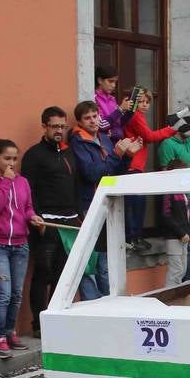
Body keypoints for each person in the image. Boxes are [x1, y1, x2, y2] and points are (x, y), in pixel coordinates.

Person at [0, 139, 45, 359]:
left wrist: (33, 217)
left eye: (15, 159)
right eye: (7, 158)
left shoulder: (23, 182)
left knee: (16, 294)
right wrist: (6, 182)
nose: (11, 164)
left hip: (20, 244)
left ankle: (10, 331)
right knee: (4, 294)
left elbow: (26, 208)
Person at [21, 107, 80, 335]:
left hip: (69, 222)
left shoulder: (68, 153)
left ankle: (56, 320)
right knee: (43, 273)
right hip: (46, 223)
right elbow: (29, 191)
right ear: (44, 126)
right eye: (55, 126)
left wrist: (78, 215)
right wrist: (38, 219)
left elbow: (75, 186)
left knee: (62, 274)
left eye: (62, 127)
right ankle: (38, 324)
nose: (59, 131)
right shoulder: (33, 155)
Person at [71, 100, 138, 300]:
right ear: (80, 122)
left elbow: (114, 172)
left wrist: (127, 157)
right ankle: (95, 304)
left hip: (109, 204)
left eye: (95, 116)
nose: (93, 121)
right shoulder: (78, 142)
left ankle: (109, 301)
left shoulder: (105, 139)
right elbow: (92, 173)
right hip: (89, 205)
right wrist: (116, 155)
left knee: (106, 260)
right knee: (92, 260)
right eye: (87, 118)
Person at [121, 87, 170, 251]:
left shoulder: (137, 116)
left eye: (147, 102)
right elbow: (150, 136)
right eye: (141, 101)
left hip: (135, 165)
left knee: (135, 204)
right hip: (133, 165)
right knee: (136, 204)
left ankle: (133, 237)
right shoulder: (135, 116)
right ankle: (133, 237)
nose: (144, 105)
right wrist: (172, 129)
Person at [154, 158, 190, 286]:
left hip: (183, 236)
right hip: (174, 237)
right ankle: (169, 298)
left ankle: (176, 296)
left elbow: (182, 213)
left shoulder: (182, 192)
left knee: (182, 270)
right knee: (175, 270)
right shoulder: (168, 192)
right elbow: (166, 216)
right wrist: (181, 233)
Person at [94, 65, 133, 142]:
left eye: (115, 82)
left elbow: (120, 123)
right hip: (103, 144)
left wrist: (131, 110)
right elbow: (101, 125)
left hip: (116, 142)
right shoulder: (94, 99)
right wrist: (120, 109)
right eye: (110, 81)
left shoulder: (112, 99)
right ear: (100, 80)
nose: (114, 85)